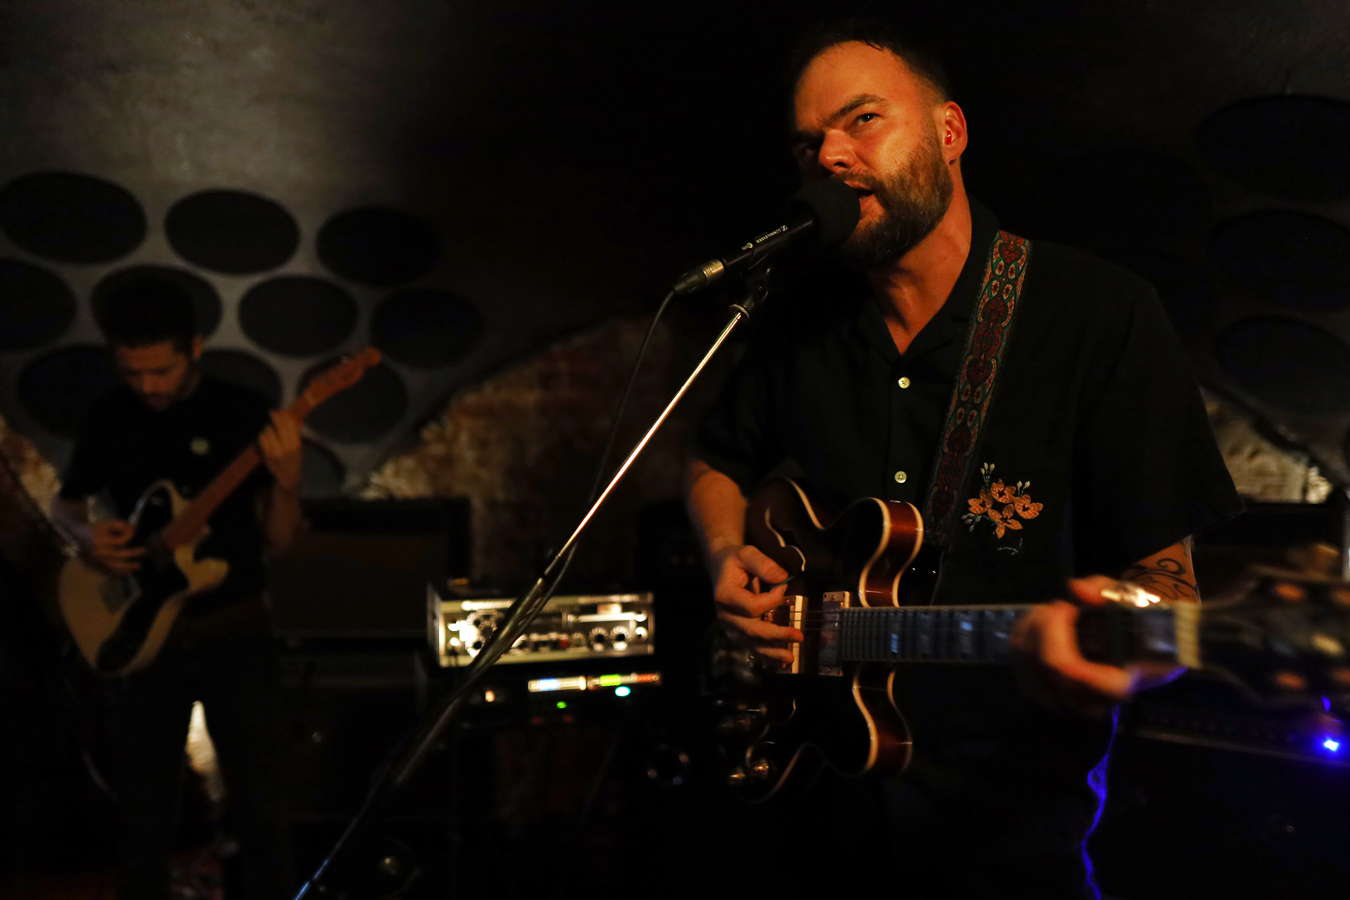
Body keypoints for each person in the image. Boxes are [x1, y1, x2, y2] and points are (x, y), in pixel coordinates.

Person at [685, 21, 1243, 899]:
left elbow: (1169, 593)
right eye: (807, 143)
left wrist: (1124, 642)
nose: (829, 155)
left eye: (862, 119)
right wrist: (726, 557)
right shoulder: (794, 323)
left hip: (1008, 840)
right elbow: (712, 459)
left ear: (949, 132)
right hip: (813, 817)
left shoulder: (1097, 316)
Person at [50, 277, 302, 899]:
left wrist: (288, 481)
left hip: (237, 631)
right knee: (143, 818)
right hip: (145, 642)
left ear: (195, 347)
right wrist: (84, 537)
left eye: (161, 370)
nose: (148, 386)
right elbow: (65, 505)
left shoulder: (243, 412)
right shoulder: (109, 415)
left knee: (263, 812)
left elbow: (279, 540)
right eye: (132, 372)